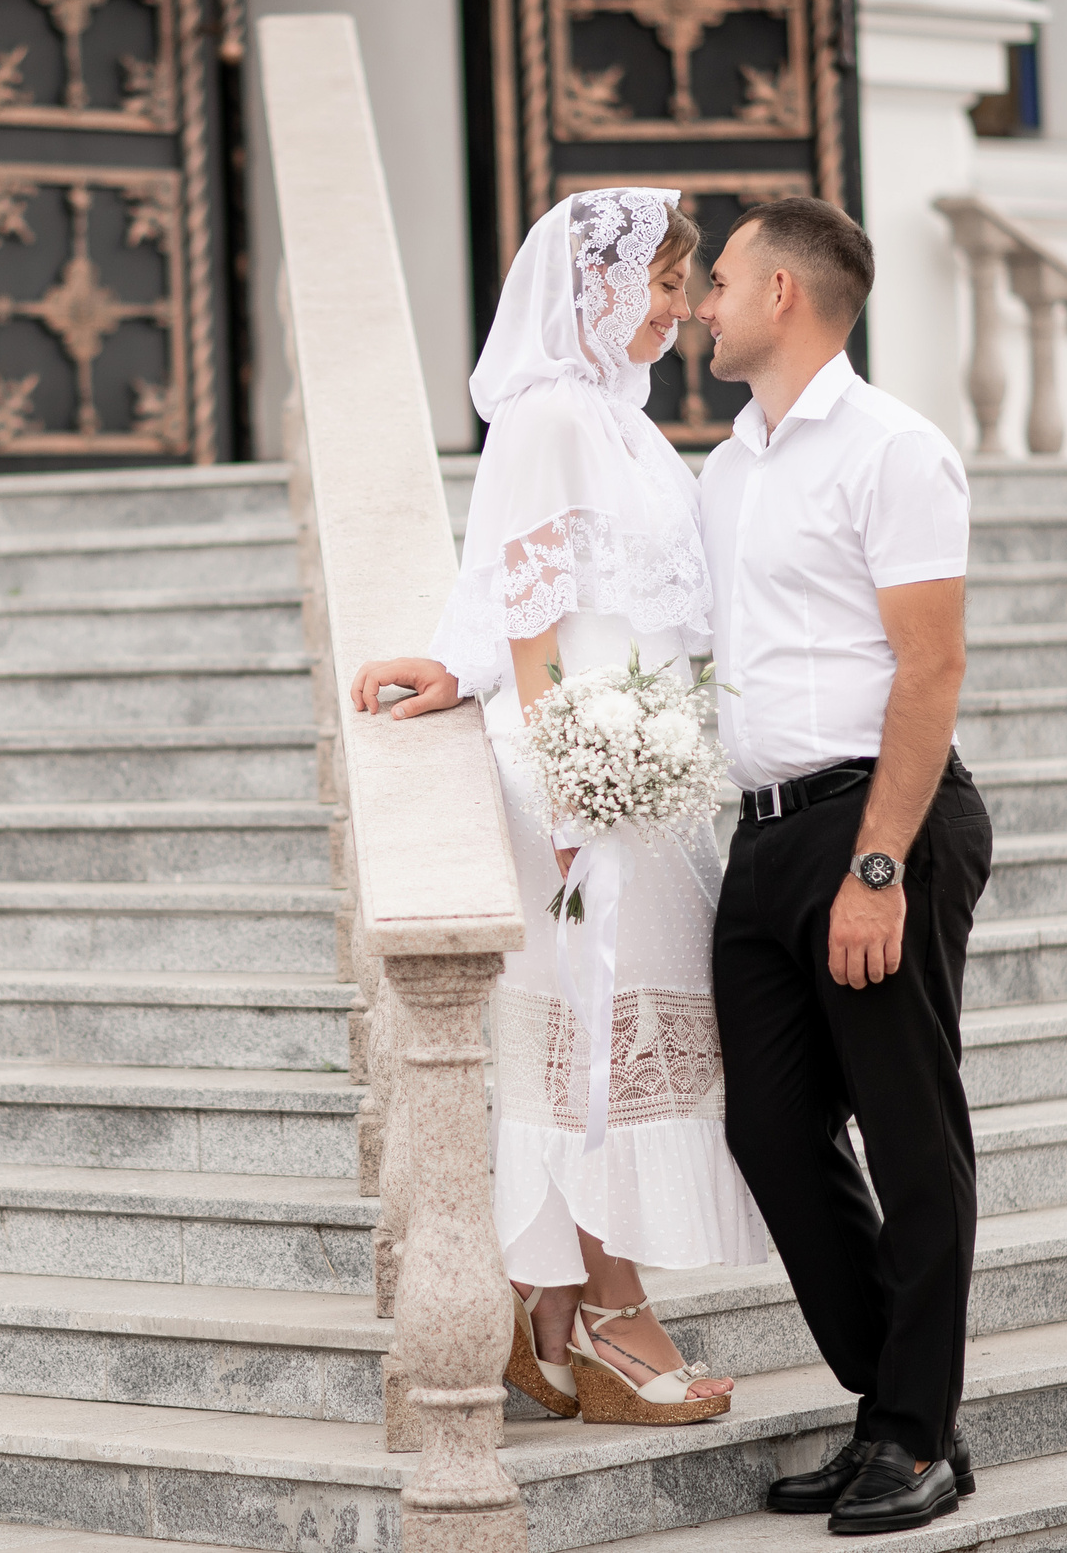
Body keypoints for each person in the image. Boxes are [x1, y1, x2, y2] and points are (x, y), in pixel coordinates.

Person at [349, 187, 764, 1428]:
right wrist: (566, 763)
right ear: (593, 286)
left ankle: (552, 1315)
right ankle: (610, 1313)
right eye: (662, 285)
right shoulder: (546, 417)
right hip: (582, 780)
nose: (680, 310)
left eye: (686, 287)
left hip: (647, 768)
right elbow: (526, 599)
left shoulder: (622, 424)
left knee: (627, 1040)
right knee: (593, 1043)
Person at [692, 196, 993, 1535]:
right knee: (768, 1125)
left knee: (909, 1127)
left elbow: (929, 666)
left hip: (878, 822)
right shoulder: (727, 467)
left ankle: (914, 1433)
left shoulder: (894, 450)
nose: (701, 300)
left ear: (782, 299)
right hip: (759, 833)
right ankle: (898, 1407)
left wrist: (880, 864)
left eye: (720, 279)